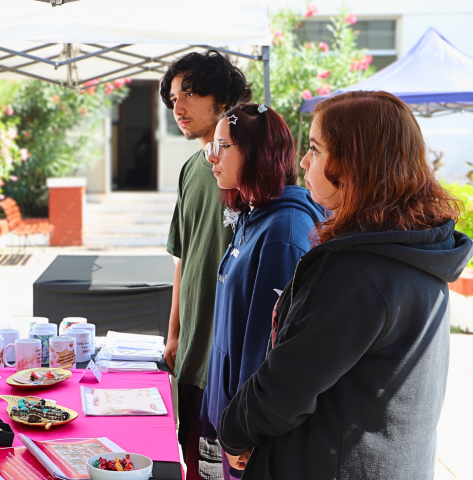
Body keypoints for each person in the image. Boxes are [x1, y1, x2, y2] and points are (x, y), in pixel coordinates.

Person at [218, 91, 473, 479]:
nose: (304, 161)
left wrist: (233, 432)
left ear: (355, 164)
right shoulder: (412, 249)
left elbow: (284, 388)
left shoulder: (357, 269)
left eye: (317, 150)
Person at [199, 103, 324, 480]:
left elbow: (272, 350)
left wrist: (245, 430)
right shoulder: (255, 214)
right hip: (229, 419)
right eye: (212, 147)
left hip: (251, 435)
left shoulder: (285, 232)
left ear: (257, 153)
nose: (213, 157)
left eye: (223, 146)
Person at [159, 51, 252, 480]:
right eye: (174, 97)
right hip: (192, 352)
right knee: (190, 459)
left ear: (224, 98)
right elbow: (185, 256)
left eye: (190, 94)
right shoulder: (191, 170)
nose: (177, 108)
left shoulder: (251, 169)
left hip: (232, 359)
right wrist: (174, 332)